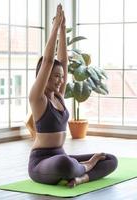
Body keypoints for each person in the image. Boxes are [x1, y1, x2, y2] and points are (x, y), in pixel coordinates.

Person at [28, 4, 118, 188]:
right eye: (56, 77)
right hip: (41, 163)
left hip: (61, 155)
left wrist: (62, 29)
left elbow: (63, 61)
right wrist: (54, 27)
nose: (61, 81)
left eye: (62, 77)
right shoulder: (38, 98)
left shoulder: (58, 96)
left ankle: (81, 177)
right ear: (43, 77)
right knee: (65, 164)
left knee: (110, 160)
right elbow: (47, 61)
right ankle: (86, 168)